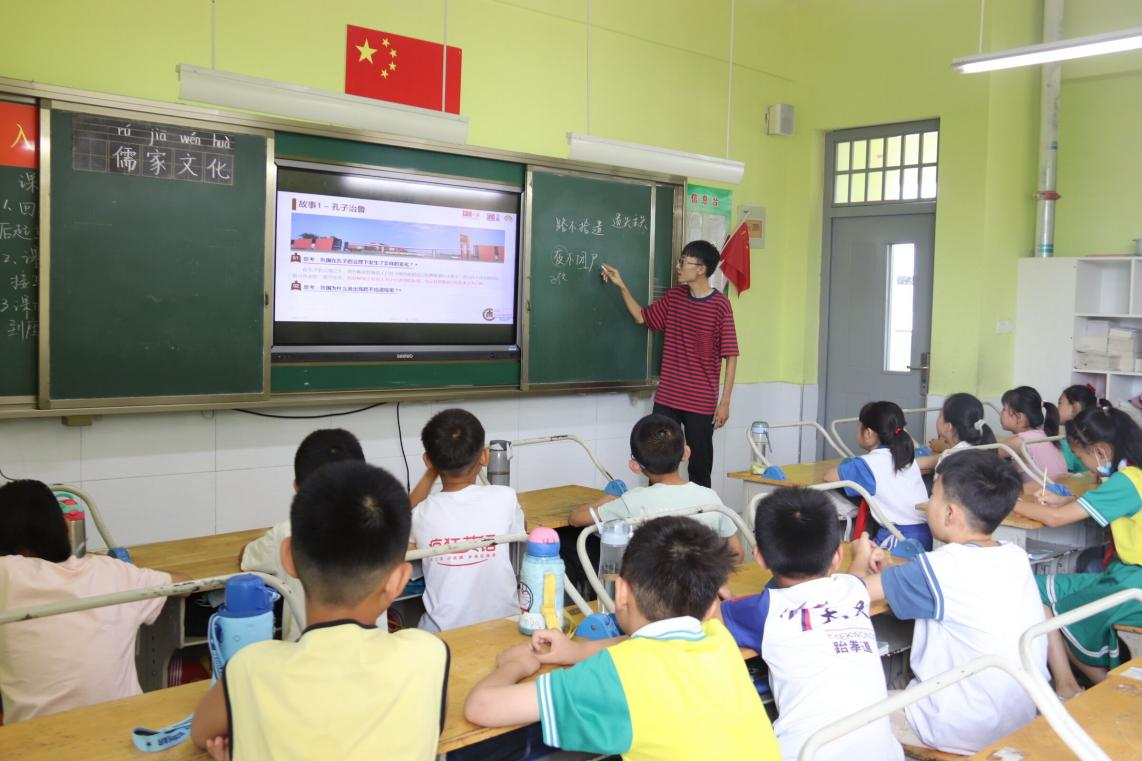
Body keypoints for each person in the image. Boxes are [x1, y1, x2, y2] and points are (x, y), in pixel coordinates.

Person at [464, 515, 780, 761]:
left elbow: (481, 707)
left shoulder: (615, 675)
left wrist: (517, 664)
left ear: (621, 592)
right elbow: (649, 645)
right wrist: (575, 652)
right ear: (712, 605)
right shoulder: (718, 637)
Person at [191, 462, 449, 761]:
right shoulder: (427, 655)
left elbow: (201, 734)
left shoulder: (250, 668)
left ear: (287, 557)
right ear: (398, 581)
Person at [850, 450, 1047, 754]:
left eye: (933, 496)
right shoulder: (1013, 556)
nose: (929, 503)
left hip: (959, 728)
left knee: (839, 717)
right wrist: (891, 573)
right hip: (1015, 717)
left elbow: (849, 595)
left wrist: (859, 557)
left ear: (950, 513)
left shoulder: (942, 567)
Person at [720, 488, 902, 761]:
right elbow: (855, 581)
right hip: (883, 754)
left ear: (759, 557)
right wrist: (861, 554)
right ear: (837, 556)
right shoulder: (852, 591)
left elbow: (708, 619)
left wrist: (718, 589)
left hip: (804, 754)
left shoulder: (763, 610)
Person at [0, 479, 188, 722]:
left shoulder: (7, 574)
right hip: (128, 730)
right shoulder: (112, 571)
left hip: (39, 736)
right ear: (66, 527)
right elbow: (185, 584)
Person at [1012, 403, 1142, 698]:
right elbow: (1099, 498)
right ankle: (1069, 685)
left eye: (1081, 457)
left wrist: (1009, 502)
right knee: (1036, 590)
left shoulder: (1127, 481)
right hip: (1123, 576)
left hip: (1132, 585)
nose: (1084, 465)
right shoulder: (1131, 474)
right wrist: (1068, 500)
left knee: (1060, 615)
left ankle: (1110, 694)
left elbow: (1056, 519)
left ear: (1101, 451)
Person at [599, 240, 738, 488]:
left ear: (701, 269)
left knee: (699, 468)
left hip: (701, 400)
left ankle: (701, 511)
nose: (678, 266)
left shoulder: (720, 306)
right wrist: (622, 286)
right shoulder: (674, 297)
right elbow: (642, 317)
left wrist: (725, 402)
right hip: (669, 396)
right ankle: (656, 511)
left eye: (683, 262)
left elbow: (731, 354)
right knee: (655, 464)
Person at [240, 428, 366, 641]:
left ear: (298, 488)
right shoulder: (383, 527)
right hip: (374, 656)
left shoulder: (287, 532)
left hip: (305, 654)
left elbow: (248, 558)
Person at [568, 413, 743, 561]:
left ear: (635, 466)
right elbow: (737, 554)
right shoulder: (710, 498)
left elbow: (575, 519)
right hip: (702, 587)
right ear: (686, 453)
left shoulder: (631, 501)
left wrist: (605, 500)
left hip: (651, 587)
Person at [409, 408, 524, 632]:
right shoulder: (505, 497)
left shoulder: (420, 513)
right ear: (484, 456)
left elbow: (401, 520)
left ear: (427, 460)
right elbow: (520, 534)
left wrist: (432, 470)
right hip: (506, 626)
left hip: (445, 633)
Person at [823, 401, 931, 550]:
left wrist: (851, 463)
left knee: (861, 555)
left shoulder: (867, 464)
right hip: (925, 533)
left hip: (898, 537)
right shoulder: (905, 456)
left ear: (868, 433)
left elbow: (829, 477)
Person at [999, 385, 1067, 490]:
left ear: (1019, 417)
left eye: (1004, 409)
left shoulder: (1019, 442)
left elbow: (985, 455)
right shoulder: (1043, 434)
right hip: (1063, 488)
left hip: (1042, 494)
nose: (1001, 412)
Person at [916, 393, 997, 472]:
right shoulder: (978, 447)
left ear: (948, 426)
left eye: (940, 415)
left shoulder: (949, 460)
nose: (938, 417)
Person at [1057, 384, 1098, 474]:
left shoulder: (1067, 442)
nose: (1057, 408)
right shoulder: (1095, 434)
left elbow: (1066, 475)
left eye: (1060, 403)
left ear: (1075, 408)